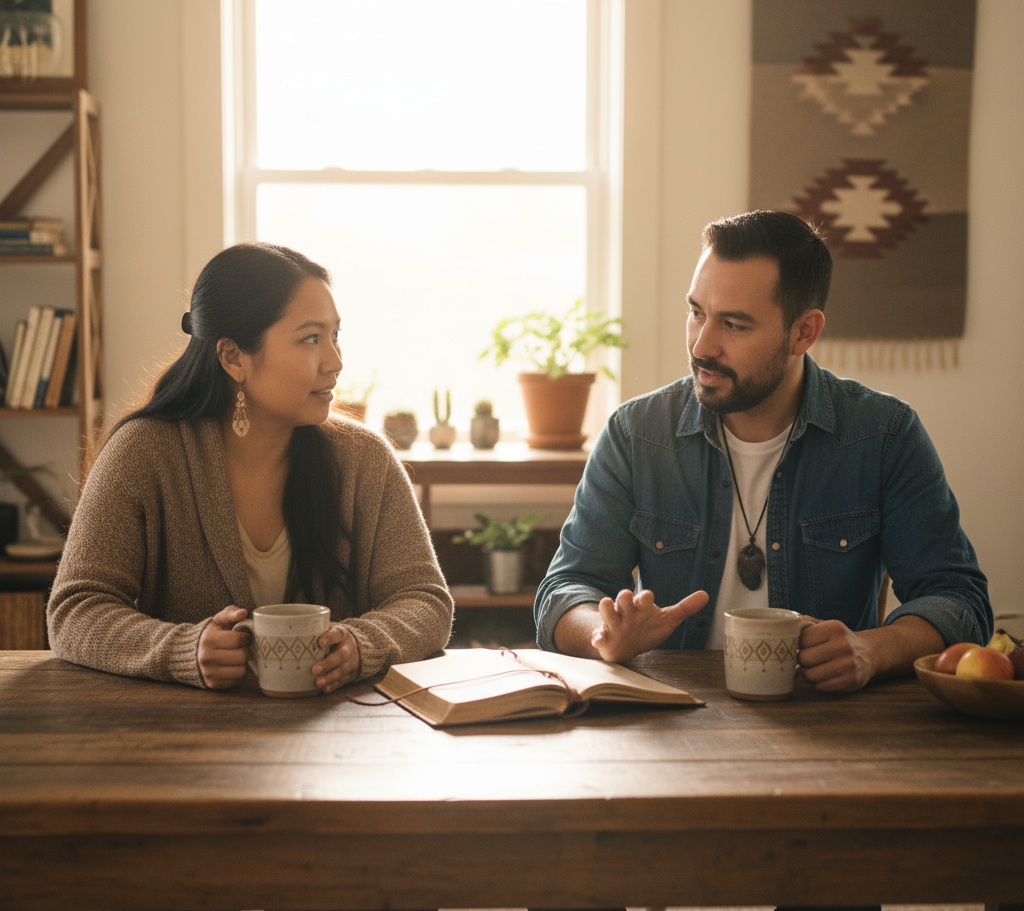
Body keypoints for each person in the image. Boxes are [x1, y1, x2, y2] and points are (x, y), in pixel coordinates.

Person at [535, 210, 992, 693]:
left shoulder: (883, 435)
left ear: (804, 332)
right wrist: (606, 636)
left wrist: (873, 649)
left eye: (734, 325)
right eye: (696, 312)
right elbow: (564, 592)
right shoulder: (636, 434)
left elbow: (959, 599)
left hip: (831, 725)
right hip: (672, 722)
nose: (702, 345)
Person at [48, 242, 453, 693]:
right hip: (182, 742)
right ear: (233, 357)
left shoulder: (365, 459)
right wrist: (183, 648)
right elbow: (75, 610)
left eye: (335, 335)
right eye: (310, 339)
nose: (336, 362)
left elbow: (425, 600)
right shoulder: (142, 453)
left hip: (339, 738)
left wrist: (364, 644)